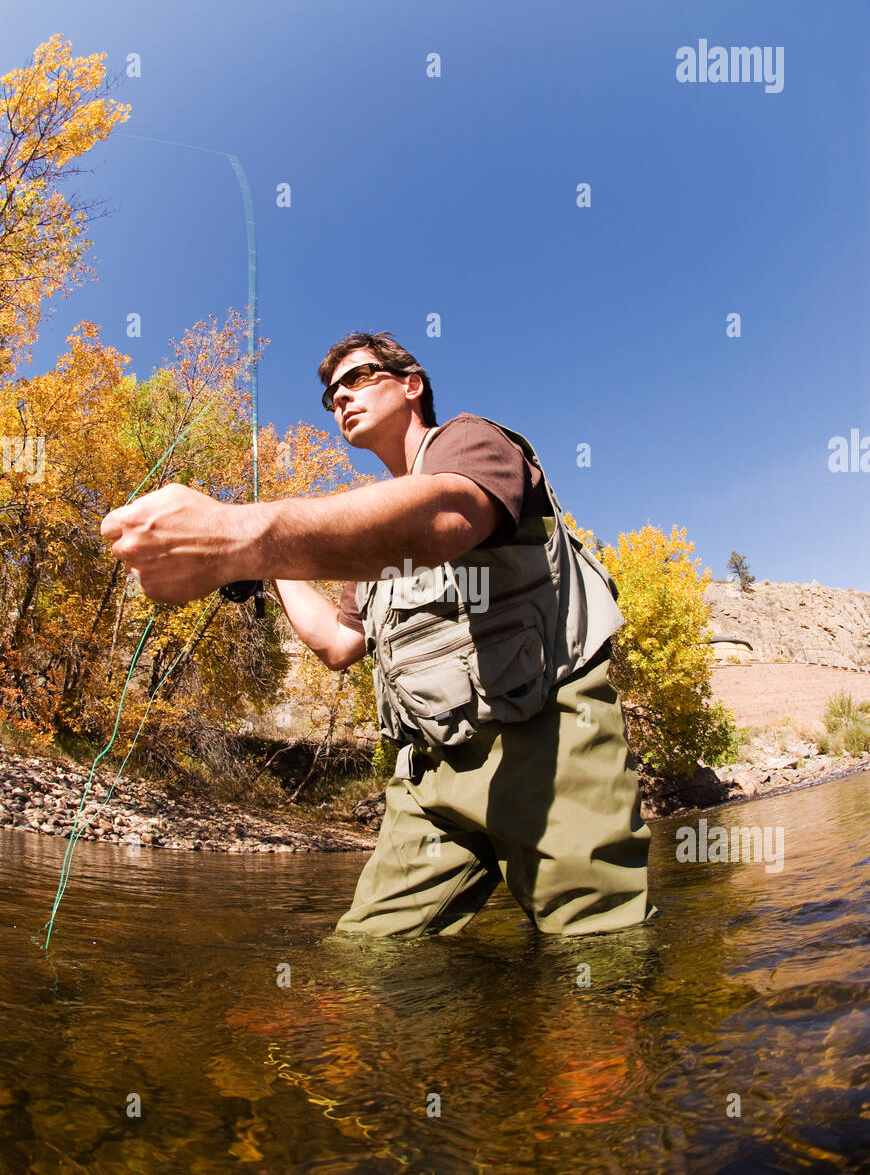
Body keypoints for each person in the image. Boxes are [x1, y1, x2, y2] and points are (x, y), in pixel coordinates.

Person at [101, 331, 654, 939]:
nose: (341, 397)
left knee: (601, 963)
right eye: (330, 394)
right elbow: (337, 645)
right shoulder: (371, 545)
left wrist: (237, 534)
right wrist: (262, 565)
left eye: (359, 378)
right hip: (426, 780)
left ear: (411, 384)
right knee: (368, 964)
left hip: (548, 747)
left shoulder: (470, 441)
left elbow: (443, 519)